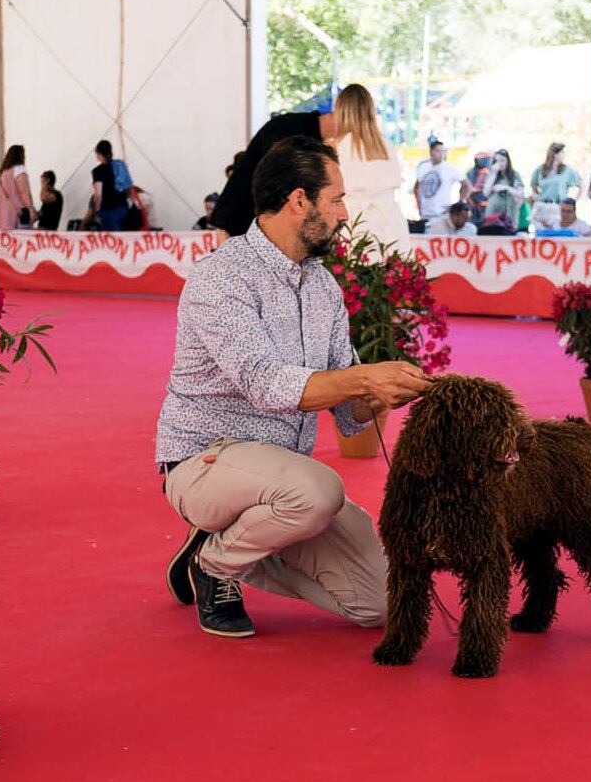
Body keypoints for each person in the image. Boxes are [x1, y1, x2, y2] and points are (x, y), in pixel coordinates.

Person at [155, 135, 430, 638]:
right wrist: (363, 377)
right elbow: (264, 382)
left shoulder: (323, 286)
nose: (346, 213)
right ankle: (215, 565)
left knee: (387, 605)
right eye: (338, 199)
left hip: (283, 482)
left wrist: (393, 390)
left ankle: (227, 545)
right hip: (204, 461)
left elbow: (349, 416)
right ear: (298, 200)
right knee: (318, 490)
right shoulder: (221, 277)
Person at [213, 110, 337, 237]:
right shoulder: (291, 130)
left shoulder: (302, 130)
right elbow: (276, 183)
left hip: (246, 219)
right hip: (240, 220)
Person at [328, 83, 408, 250]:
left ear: (341, 110)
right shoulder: (386, 145)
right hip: (392, 227)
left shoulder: (334, 148)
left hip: (352, 227)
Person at [412, 137, 468, 232]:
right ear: (431, 152)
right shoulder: (423, 167)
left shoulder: (450, 168)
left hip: (442, 213)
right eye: (438, 151)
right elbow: (416, 188)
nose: (441, 154)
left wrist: (459, 203)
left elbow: (466, 185)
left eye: (443, 151)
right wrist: (419, 207)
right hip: (425, 213)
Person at [84, 139, 133, 231]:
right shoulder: (120, 165)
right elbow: (128, 188)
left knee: (110, 241)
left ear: (98, 154)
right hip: (123, 208)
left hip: (108, 211)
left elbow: (98, 195)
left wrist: (97, 212)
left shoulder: (97, 171)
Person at [480, 148, 526, 234]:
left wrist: (506, 188)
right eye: (497, 161)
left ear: (508, 161)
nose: (500, 163)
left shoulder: (514, 175)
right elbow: (485, 193)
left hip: (509, 214)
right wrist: (493, 173)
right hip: (492, 214)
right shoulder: (491, 174)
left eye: (502, 160)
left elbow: (521, 194)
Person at [0, 144, 34, 230]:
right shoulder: (19, 169)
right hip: (18, 215)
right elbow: (23, 191)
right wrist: (30, 209)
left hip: (4, 217)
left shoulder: (2, 173)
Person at [531, 141, 582, 206]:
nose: (564, 155)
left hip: (559, 206)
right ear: (555, 154)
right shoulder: (540, 169)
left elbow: (581, 183)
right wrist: (536, 195)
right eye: (562, 152)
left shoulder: (567, 170)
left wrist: (574, 201)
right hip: (543, 205)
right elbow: (533, 184)